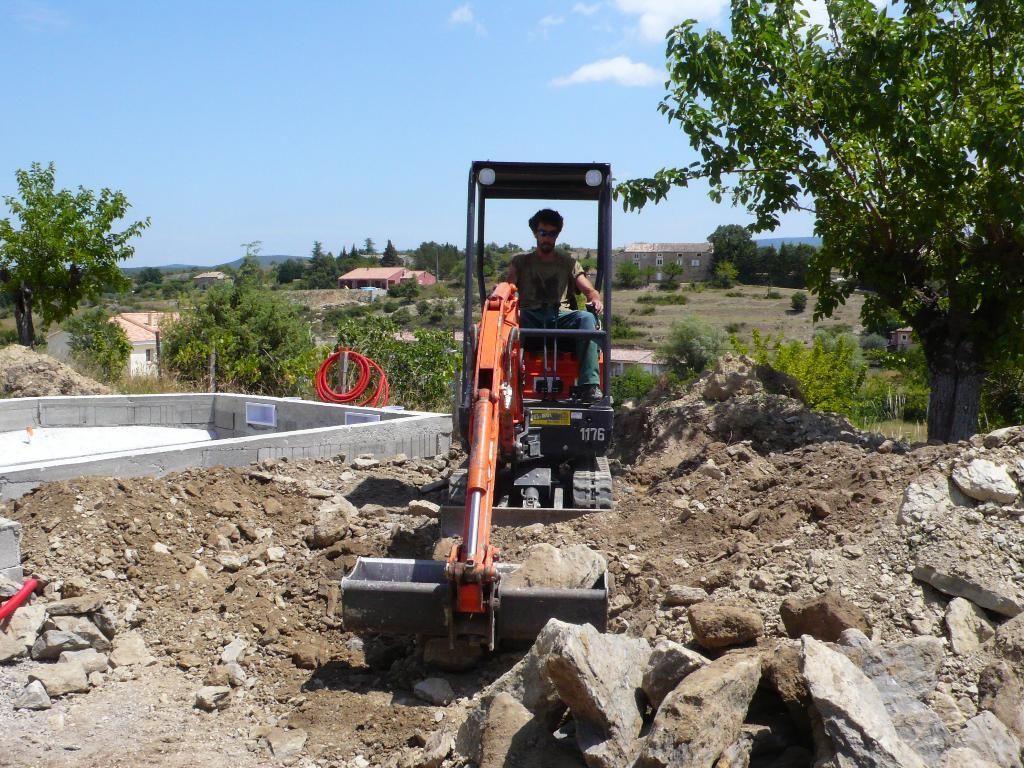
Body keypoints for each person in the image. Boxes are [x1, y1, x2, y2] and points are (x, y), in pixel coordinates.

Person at [506, 209, 604, 401]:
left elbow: (588, 290)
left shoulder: (568, 262)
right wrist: (499, 293)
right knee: (512, 322)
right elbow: (508, 286)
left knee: (586, 318)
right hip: (530, 317)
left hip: (560, 317)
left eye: (552, 234)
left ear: (557, 235)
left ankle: (589, 385)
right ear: (535, 233)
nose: (547, 238)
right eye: (543, 233)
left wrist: (595, 298)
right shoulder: (521, 262)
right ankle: (509, 381)